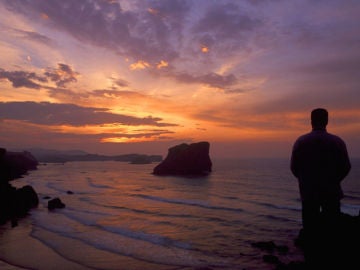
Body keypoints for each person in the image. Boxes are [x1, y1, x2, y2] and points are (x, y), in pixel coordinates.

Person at [290, 108, 351, 234]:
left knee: (310, 232)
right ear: (327, 121)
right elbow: (346, 167)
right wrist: (334, 180)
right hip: (332, 193)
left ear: (311, 121)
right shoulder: (337, 142)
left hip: (308, 194)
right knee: (331, 232)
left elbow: (294, 167)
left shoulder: (301, 142)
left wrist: (306, 180)